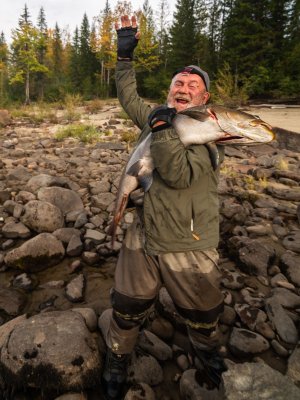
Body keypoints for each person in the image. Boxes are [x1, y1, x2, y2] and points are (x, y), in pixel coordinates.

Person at [101, 14, 226, 399]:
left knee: (202, 316)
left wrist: (161, 131)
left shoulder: (210, 134)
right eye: (178, 83)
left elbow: (178, 174)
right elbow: (127, 95)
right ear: (171, 91)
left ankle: (207, 359)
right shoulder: (157, 116)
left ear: (204, 98)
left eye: (193, 85)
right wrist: (124, 53)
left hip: (189, 243)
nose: (184, 88)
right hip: (145, 234)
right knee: (126, 306)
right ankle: (118, 358)